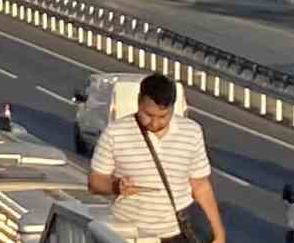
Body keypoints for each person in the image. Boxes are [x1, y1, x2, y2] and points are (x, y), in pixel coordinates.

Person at [88, 72, 226, 243]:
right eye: (148, 115)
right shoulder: (115, 132)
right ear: (138, 102)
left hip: (176, 233)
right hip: (129, 233)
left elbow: (200, 185)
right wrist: (116, 186)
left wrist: (218, 233)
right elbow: (95, 182)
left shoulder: (191, 132)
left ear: (173, 108)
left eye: (162, 117)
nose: (154, 123)